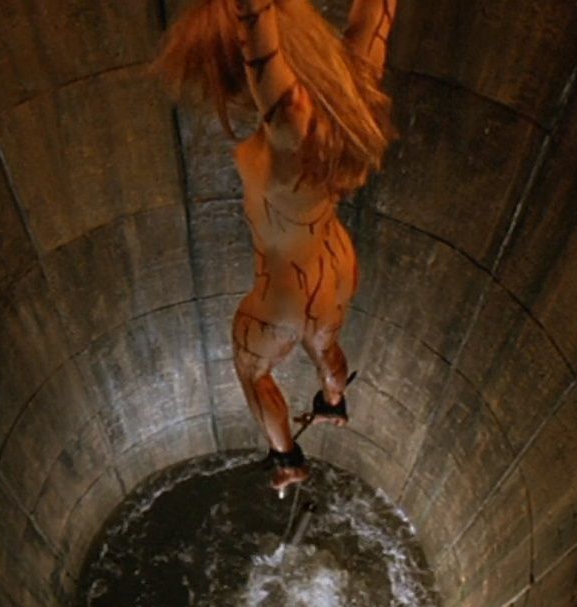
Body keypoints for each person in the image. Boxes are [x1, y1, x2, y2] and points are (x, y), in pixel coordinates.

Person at [155, 0, 397, 493]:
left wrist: (251, 15)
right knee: (324, 341)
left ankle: (286, 459)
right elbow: (376, 14)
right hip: (337, 268)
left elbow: (258, 32)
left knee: (252, 369)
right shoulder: (352, 89)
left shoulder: (293, 127)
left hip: (285, 291)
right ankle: (333, 401)